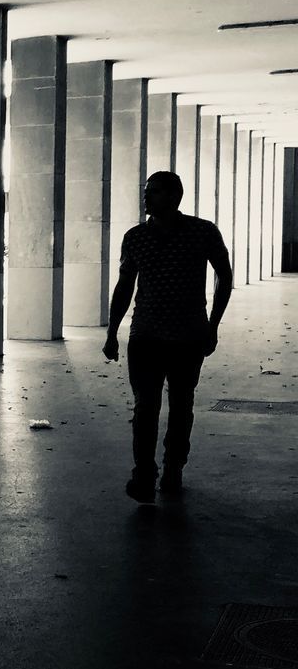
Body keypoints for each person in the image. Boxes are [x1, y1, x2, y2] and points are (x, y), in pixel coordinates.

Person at [103, 170, 232, 503]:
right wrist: (112, 331)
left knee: (180, 406)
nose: (147, 196)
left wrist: (213, 324)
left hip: (188, 337)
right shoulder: (135, 237)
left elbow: (224, 274)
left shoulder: (202, 232)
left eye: (154, 191)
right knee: (145, 407)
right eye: (146, 190)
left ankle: (174, 467)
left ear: (174, 196)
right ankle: (144, 474)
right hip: (145, 336)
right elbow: (124, 286)